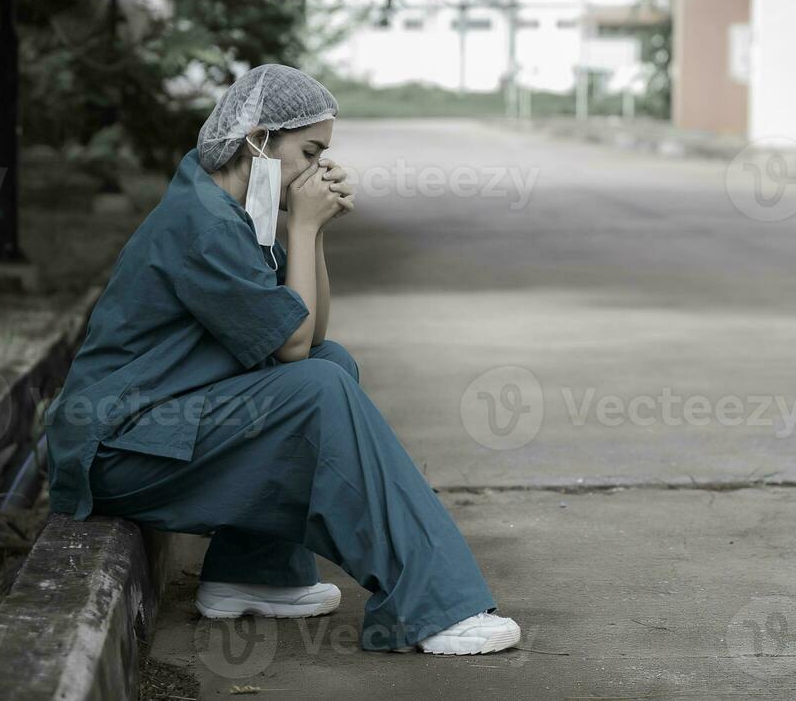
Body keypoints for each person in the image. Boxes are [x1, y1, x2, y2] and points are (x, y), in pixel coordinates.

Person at [43, 64, 520, 656]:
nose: (320, 168)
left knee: (332, 364)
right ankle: (434, 604)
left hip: (153, 432)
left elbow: (310, 331)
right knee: (316, 386)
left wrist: (310, 232)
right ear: (260, 139)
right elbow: (293, 347)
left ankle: (254, 572)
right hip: (116, 452)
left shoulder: (230, 207)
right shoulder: (203, 225)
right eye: (311, 150)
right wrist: (305, 227)